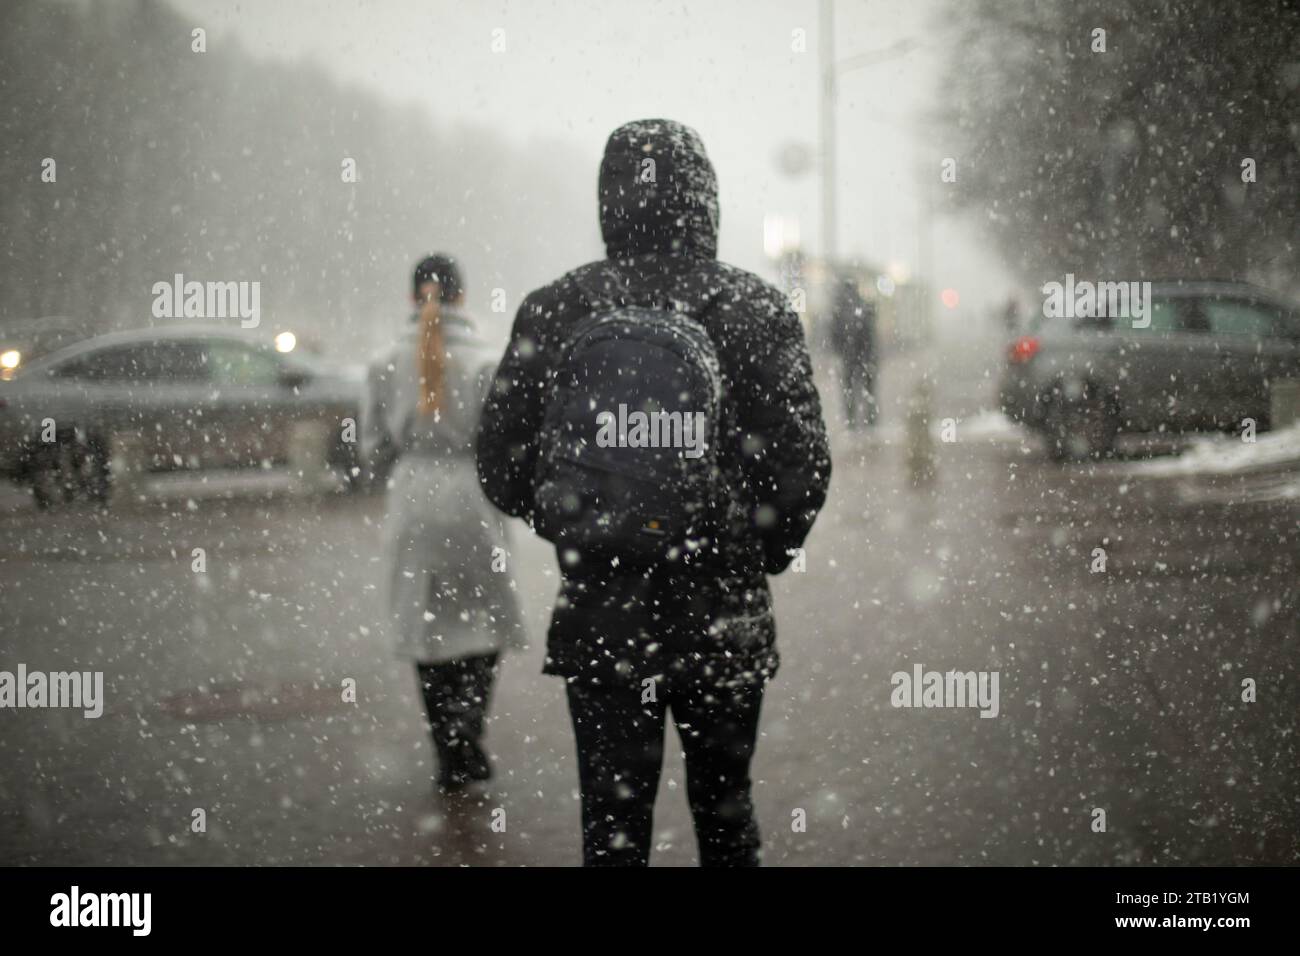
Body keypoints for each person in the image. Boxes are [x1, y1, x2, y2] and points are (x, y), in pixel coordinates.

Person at [476, 119, 831, 865]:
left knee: (612, 830)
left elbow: (502, 462)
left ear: (610, 201)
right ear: (707, 204)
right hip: (723, 617)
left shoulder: (558, 307)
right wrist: (757, 547)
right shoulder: (754, 308)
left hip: (603, 617)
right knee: (728, 817)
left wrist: (576, 523)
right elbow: (802, 465)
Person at [384, 254, 524, 791]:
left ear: (411, 296)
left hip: (414, 496)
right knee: (483, 620)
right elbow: (502, 438)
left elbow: (373, 444)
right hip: (472, 495)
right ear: (462, 297)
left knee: (427, 623)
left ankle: (445, 742)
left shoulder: (385, 361)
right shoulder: (488, 362)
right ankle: (469, 730)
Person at [829, 275, 878, 429]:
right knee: (867, 390)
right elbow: (870, 333)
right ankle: (869, 420)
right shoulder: (863, 307)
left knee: (850, 391)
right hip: (864, 357)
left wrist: (840, 352)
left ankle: (852, 421)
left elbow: (834, 336)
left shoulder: (839, 309)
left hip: (850, 358)